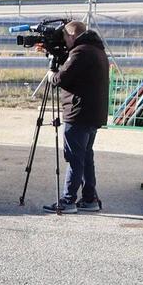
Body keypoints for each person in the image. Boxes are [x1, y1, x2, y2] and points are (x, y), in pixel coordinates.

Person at [47, 19, 109, 212]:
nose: (65, 42)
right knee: (86, 157)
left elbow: (61, 78)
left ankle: (68, 200)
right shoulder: (97, 50)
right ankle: (90, 199)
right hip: (93, 113)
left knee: (75, 158)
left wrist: (51, 75)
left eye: (65, 37)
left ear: (72, 35)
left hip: (78, 113)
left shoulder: (80, 52)